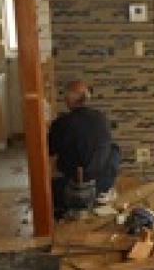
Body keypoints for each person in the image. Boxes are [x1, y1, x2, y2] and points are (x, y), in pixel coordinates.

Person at [48, 79, 120, 218]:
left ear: (69, 100)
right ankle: (103, 192)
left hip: (76, 187)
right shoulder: (102, 118)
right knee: (114, 148)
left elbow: (49, 150)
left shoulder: (61, 124)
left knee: (45, 190)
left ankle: (78, 202)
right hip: (103, 183)